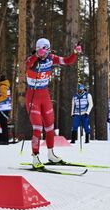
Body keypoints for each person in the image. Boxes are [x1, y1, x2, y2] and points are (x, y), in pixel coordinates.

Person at [27, 38, 81, 167]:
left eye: (47, 49)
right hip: (33, 96)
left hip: (44, 95)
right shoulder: (32, 59)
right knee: (38, 127)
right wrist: (36, 55)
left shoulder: (51, 58)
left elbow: (68, 61)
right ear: (38, 48)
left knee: (50, 126)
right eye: (43, 49)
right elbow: (27, 65)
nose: (45, 52)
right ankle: (35, 157)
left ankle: (51, 154)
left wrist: (75, 52)